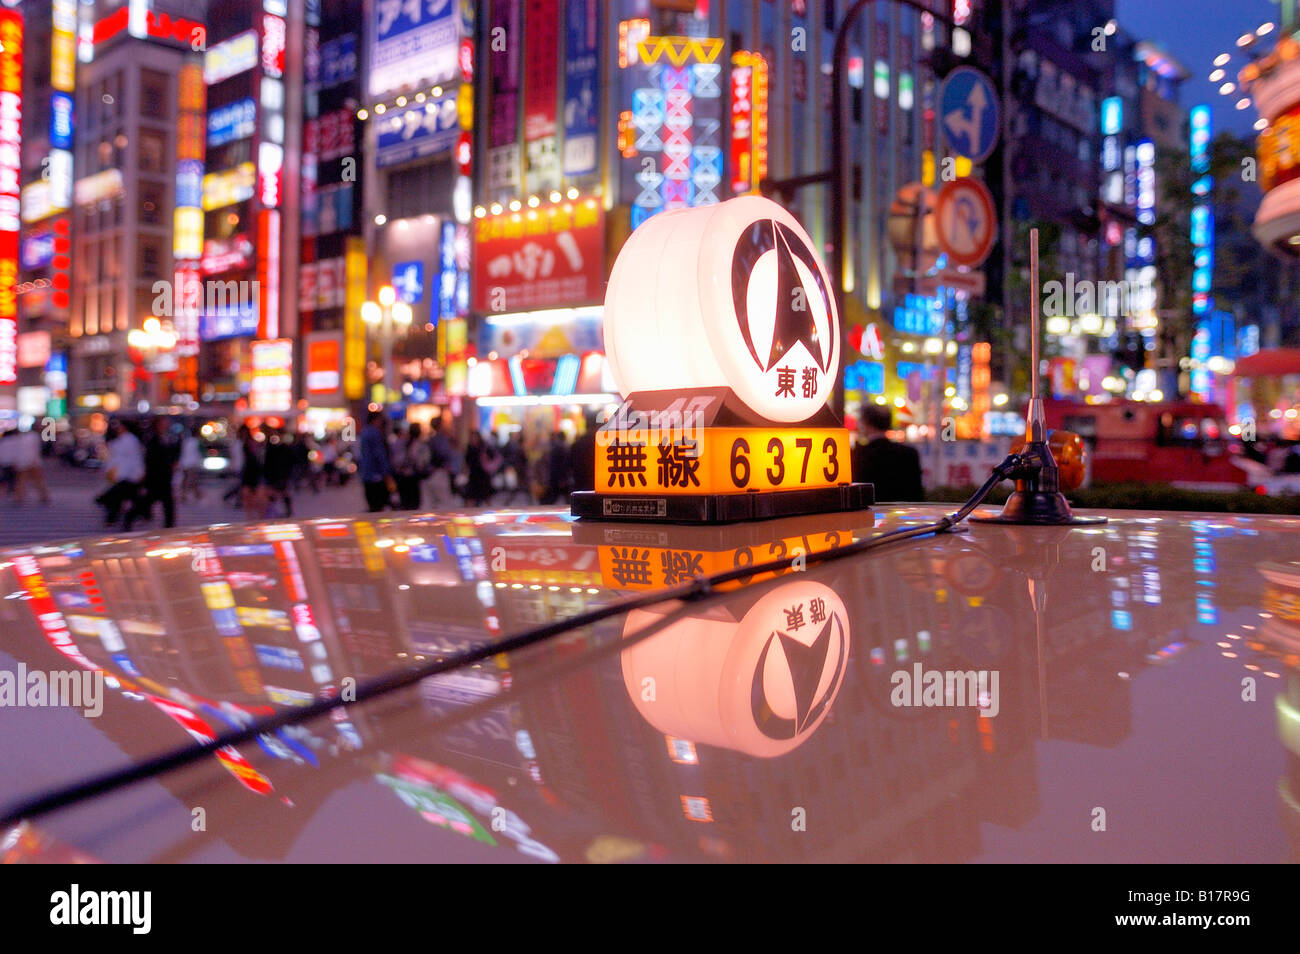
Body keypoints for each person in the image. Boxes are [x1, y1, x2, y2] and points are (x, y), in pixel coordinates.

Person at [852, 404, 923, 502]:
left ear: (866, 424)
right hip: (903, 512)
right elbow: (917, 494)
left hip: (870, 513)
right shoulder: (909, 453)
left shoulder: (858, 455)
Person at [124, 418, 178, 530]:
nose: (166, 425)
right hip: (156, 477)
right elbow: (150, 459)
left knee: (167, 503)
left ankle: (170, 526)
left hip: (165, 476)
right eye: (163, 423)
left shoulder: (167, 437)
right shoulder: (152, 438)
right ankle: (130, 516)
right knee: (149, 501)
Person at [96, 419, 146, 528]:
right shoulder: (119, 440)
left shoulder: (130, 440)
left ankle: (119, 517)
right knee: (123, 497)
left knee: (120, 497)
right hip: (119, 473)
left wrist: (139, 471)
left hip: (128, 474)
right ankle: (119, 518)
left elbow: (135, 457)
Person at [358, 410, 394, 512]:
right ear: (376, 420)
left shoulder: (364, 432)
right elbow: (380, 454)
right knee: (379, 506)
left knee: (372, 505)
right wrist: (386, 472)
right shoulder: (376, 433)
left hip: (366, 474)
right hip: (376, 475)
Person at [394, 421, 431, 510]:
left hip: (403, 477)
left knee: (405, 503)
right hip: (413, 477)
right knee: (414, 504)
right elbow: (423, 461)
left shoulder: (403, 443)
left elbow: (396, 460)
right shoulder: (420, 445)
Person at [11, 424, 50, 505]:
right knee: (38, 480)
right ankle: (44, 496)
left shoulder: (22, 437)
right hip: (32, 461)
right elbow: (34, 450)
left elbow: (18, 450)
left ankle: (19, 497)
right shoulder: (35, 436)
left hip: (22, 461)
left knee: (21, 480)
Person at [262, 427, 296, 517]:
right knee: (274, 494)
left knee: (284, 493)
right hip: (274, 475)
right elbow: (267, 463)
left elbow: (291, 462)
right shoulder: (271, 448)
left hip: (283, 475)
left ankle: (286, 511)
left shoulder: (286, 448)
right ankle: (273, 511)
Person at [462, 430, 497, 507]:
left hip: (482, 475)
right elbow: (467, 462)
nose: (473, 439)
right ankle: (470, 513)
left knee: (485, 497)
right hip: (473, 476)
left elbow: (492, 457)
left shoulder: (483, 447)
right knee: (471, 497)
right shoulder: (470, 448)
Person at [570, 409, 599, 494]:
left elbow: (570, 465)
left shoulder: (577, 444)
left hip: (579, 486)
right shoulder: (602, 444)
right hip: (597, 485)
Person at [540, 430, 572, 505]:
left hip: (556, 477)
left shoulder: (557, 448)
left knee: (553, 496)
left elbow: (554, 464)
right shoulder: (564, 448)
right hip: (561, 477)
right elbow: (564, 464)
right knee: (559, 496)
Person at [178, 424, 204, 501]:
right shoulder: (196, 442)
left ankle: (190, 493)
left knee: (187, 479)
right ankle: (188, 494)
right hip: (192, 464)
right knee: (192, 479)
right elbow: (200, 452)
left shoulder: (186, 441)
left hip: (184, 462)